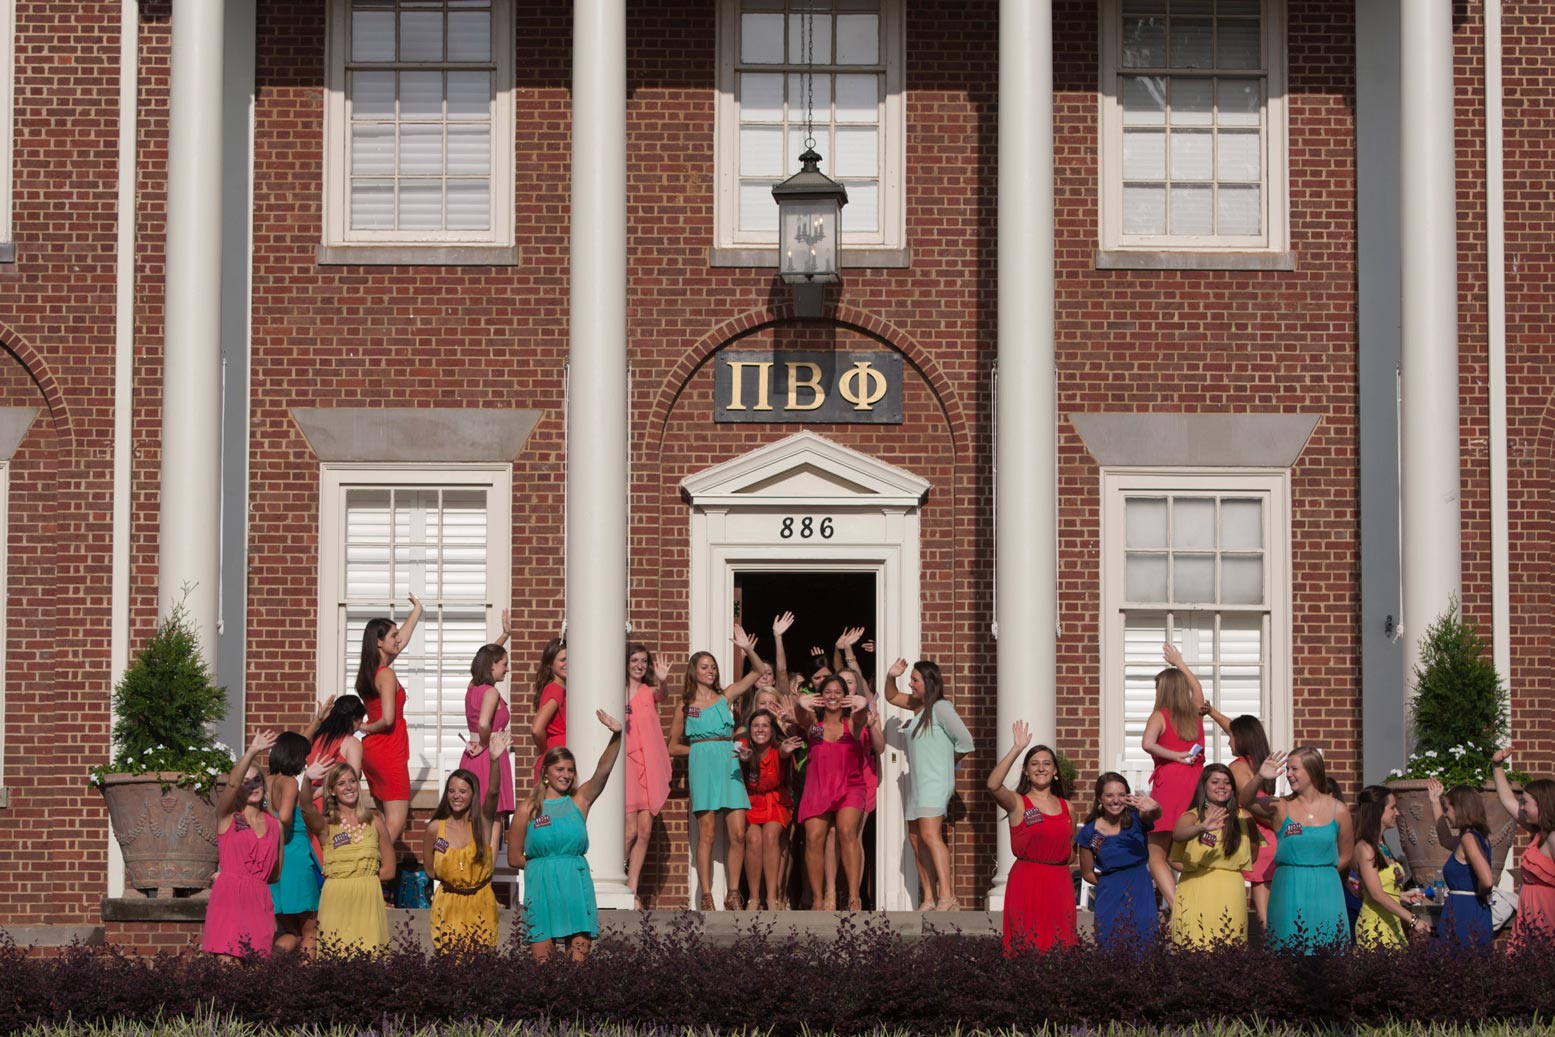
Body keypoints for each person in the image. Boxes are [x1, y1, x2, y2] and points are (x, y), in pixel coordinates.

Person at [508, 710, 623, 962]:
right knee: (542, 968)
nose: (566, 775)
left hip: (575, 884)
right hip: (541, 887)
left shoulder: (579, 801)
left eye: (570, 770)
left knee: (578, 968)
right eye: (559, 769)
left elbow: (602, 772)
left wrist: (617, 735)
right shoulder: (528, 809)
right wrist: (544, 865)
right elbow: (514, 857)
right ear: (545, 773)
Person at [669, 626, 764, 910]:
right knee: (707, 834)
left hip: (729, 763)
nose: (710, 670)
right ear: (694, 672)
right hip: (703, 768)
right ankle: (707, 894)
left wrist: (747, 648)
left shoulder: (726, 696)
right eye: (704, 666)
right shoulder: (685, 707)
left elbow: (758, 671)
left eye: (713, 666)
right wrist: (698, 751)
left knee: (737, 833)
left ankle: (733, 892)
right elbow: (672, 746)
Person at [1240, 747, 1353, 953]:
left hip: (1326, 890)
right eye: (1287, 768)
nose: (1289, 774)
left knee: (1328, 952)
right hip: (1289, 887)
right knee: (1288, 952)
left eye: (1295, 769)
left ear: (1312, 771)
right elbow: (1245, 801)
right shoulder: (1280, 806)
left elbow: (1346, 854)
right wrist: (1259, 777)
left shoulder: (1339, 810)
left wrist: (1321, 874)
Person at [886, 657, 973, 911]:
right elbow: (891, 696)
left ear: (929, 681)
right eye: (910, 680)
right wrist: (891, 675)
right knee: (916, 839)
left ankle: (948, 897)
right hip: (917, 784)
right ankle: (928, 898)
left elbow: (966, 742)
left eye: (914, 680)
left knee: (929, 835)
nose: (910, 684)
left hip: (935, 783)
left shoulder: (941, 708)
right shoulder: (917, 706)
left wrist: (948, 762)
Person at [987, 721, 1076, 953]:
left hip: (1059, 885)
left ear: (1055, 771)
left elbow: (1070, 851)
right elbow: (993, 785)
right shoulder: (1018, 802)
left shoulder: (1068, 807)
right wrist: (1017, 749)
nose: (1041, 768)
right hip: (1028, 883)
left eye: (1047, 763)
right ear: (1026, 770)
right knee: (1027, 945)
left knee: (1061, 945)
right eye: (1034, 764)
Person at [202, 731, 283, 960]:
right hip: (229, 899)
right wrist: (252, 751)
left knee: (256, 979)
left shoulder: (275, 825)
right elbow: (232, 781)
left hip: (259, 900)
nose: (253, 786)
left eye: (257, 780)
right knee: (228, 974)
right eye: (247, 782)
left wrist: (248, 877)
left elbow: (275, 874)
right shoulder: (227, 816)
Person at [425, 732, 509, 952]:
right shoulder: (435, 828)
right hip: (448, 903)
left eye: (463, 791)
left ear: (473, 795)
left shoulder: (482, 823)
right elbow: (429, 868)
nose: (456, 796)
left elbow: (493, 792)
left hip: (481, 903)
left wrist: (494, 759)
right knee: (450, 965)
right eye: (451, 791)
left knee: (481, 967)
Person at [302, 760, 395, 956]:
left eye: (352, 781)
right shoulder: (326, 825)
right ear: (332, 790)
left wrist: (363, 882)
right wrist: (308, 780)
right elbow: (306, 809)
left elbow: (389, 869)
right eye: (341, 783)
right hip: (336, 900)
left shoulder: (375, 822)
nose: (349, 787)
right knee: (336, 959)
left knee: (371, 958)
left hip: (368, 899)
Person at [794, 673, 870, 911]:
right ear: (820, 696)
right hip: (818, 787)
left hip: (850, 785)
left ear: (845, 697)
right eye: (828, 692)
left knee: (847, 832)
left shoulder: (853, 723)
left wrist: (863, 704)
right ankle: (818, 899)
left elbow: (861, 717)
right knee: (814, 839)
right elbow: (800, 718)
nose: (833, 696)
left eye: (838, 692)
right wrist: (800, 703)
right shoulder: (814, 727)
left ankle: (854, 896)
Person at [355, 594, 424, 847]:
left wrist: (418, 610)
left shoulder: (370, 671)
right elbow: (387, 719)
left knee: (383, 820)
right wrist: (363, 727)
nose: (398, 639)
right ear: (379, 642)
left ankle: (375, 874)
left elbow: (402, 640)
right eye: (392, 636)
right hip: (388, 750)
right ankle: (369, 864)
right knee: (395, 822)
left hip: (373, 752)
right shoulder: (385, 674)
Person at [1141, 644, 1205, 909]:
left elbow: (1147, 744)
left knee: (1157, 853)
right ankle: (1196, 899)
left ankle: (1177, 904)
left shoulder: (1160, 715)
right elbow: (1198, 687)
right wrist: (1179, 662)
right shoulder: (1195, 712)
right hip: (1195, 784)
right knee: (1188, 847)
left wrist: (1173, 755)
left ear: (1163, 690)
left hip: (1169, 785)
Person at [1204, 709, 1278, 926]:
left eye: (1231, 737)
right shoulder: (1259, 761)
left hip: (1259, 839)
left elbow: (1249, 804)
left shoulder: (1237, 767)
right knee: (1271, 908)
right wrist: (1211, 712)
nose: (1228, 742)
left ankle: (1270, 956)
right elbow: (1237, 727)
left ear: (1242, 739)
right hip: (1271, 839)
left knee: (1262, 913)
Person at [1170, 764, 1254, 948]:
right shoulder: (1191, 817)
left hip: (1230, 890)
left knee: (1230, 947)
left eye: (1227, 782)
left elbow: (1253, 850)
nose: (1221, 786)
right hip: (1196, 888)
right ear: (1204, 786)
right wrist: (1201, 827)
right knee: (1193, 946)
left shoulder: (1242, 817)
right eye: (1215, 782)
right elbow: (1178, 835)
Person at [1076, 773, 1160, 949]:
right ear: (1099, 798)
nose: (1116, 800)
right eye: (1109, 795)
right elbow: (1087, 872)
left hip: (1140, 888)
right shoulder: (1092, 833)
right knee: (1110, 943)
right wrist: (1111, 882)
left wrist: (1154, 808)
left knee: (1143, 943)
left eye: (1121, 795)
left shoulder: (1137, 819)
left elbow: (1153, 815)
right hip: (1110, 892)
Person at [457, 611, 514, 850]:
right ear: (492, 666)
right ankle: (485, 871)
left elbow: (482, 659)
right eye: (504, 665)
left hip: (472, 756)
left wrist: (505, 635)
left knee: (473, 816)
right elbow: (483, 723)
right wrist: (484, 742)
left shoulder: (474, 687)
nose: (507, 670)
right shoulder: (490, 692)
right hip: (488, 755)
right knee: (493, 815)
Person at [623, 642, 672, 910]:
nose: (639, 665)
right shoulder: (616, 691)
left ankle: (633, 888)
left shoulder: (648, 691)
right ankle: (615, 881)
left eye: (643, 661)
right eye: (634, 661)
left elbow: (662, 694)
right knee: (629, 831)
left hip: (648, 763)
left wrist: (663, 682)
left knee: (645, 830)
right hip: (627, 765)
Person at [1492, 745, 1555, 950]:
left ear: (1542, 805)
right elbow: (1507, 799)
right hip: (1529, 916)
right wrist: (1497, 765)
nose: (1521, 807)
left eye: (1525, 802)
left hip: (1547, 916)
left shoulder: (1553, 838)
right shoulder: (1538, 833)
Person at [267, 731, 322, 957]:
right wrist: (282, 832)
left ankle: (266, 972)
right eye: (304, 756)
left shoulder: (266, 780)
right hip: (294, 856)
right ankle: (307, 983)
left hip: (274, 860)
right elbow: (285, 817)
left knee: (290, 930)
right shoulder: (289, 782)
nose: (306, 761)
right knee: (310, 929)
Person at [1352, 785, 1429, 949]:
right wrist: (1413, 920)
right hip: (1375, 929)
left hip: (1392, 926)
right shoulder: (1365, 848)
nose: (1397, 813)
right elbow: (1375, 893)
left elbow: (1381, 887)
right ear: (1378, 811)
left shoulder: (1382, 845)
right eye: (1392, 808)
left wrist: (1400, 896)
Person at [737, 708, 800, 910]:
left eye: (765, 725)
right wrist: (743, 761)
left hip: (776, 802)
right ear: (750, 729)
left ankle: (772, 897)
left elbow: (782, 752)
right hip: (751, 802)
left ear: (772, 730)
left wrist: (786, 751)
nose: (760, 729)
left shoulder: (779, 747)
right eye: (756, 725)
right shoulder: (744, 746)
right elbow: (739, 754)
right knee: (754, 839)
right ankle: (754, 898)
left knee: (771, 836)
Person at [1428, 777, 1494, 947]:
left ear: (1460, 809)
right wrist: (1435, 801)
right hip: (1467, 909)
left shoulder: (1469, 839)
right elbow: (1445, 838)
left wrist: (1483, 891)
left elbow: (1487, 880)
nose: (1446, 814)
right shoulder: (1476, 837)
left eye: (1447, 809)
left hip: (1465, 912)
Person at [530, 637, 568, 782]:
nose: (567, 663)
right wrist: (544, 749)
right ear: (550, 664)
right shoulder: (555, 689)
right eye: (562, 659)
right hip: (556, 755)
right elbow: (536, 729)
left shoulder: (561, 688)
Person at [307, 694, 366, 786]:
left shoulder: (316, 737)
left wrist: (318, 720)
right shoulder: (352, 743)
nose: (359, 727)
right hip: (331, 798)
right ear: (353, 719)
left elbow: (296, 744)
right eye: (360, 721)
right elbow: (352, 779)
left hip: (306, 796)